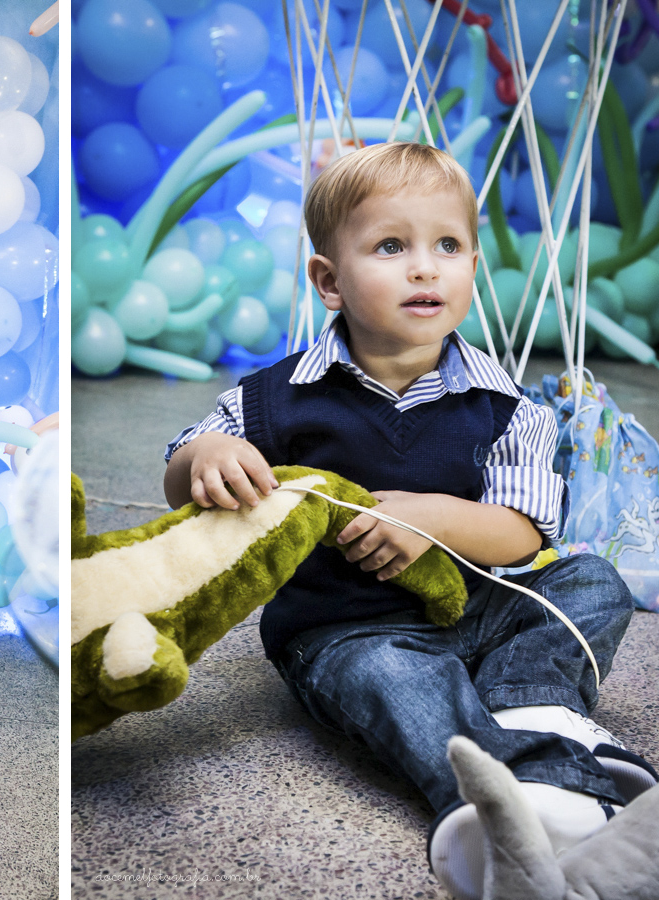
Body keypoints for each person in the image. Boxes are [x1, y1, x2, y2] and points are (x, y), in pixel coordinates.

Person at [163, 142, 652, 899]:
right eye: (391, 247)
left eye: (447, 246)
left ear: (473, 267)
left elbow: (522, 533)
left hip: (481, 603)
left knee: (592, 583)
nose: (425, 269)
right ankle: (509, 801)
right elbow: (180, 474)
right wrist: (207, 454)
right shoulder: (274, 399)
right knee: (401, 683)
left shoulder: (507, 405)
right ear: (330, 280)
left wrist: (435, 518)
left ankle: (532, 696)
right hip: (350, 627)